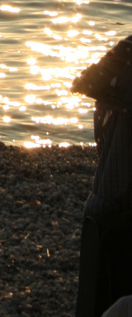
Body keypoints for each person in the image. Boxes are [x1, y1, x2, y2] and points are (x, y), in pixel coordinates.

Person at [72, 35, 132, 316]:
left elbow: (85, 83)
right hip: (113, 211)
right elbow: (86, 83)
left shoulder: (126, 51)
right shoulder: (126, 52)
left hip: (106, 208)